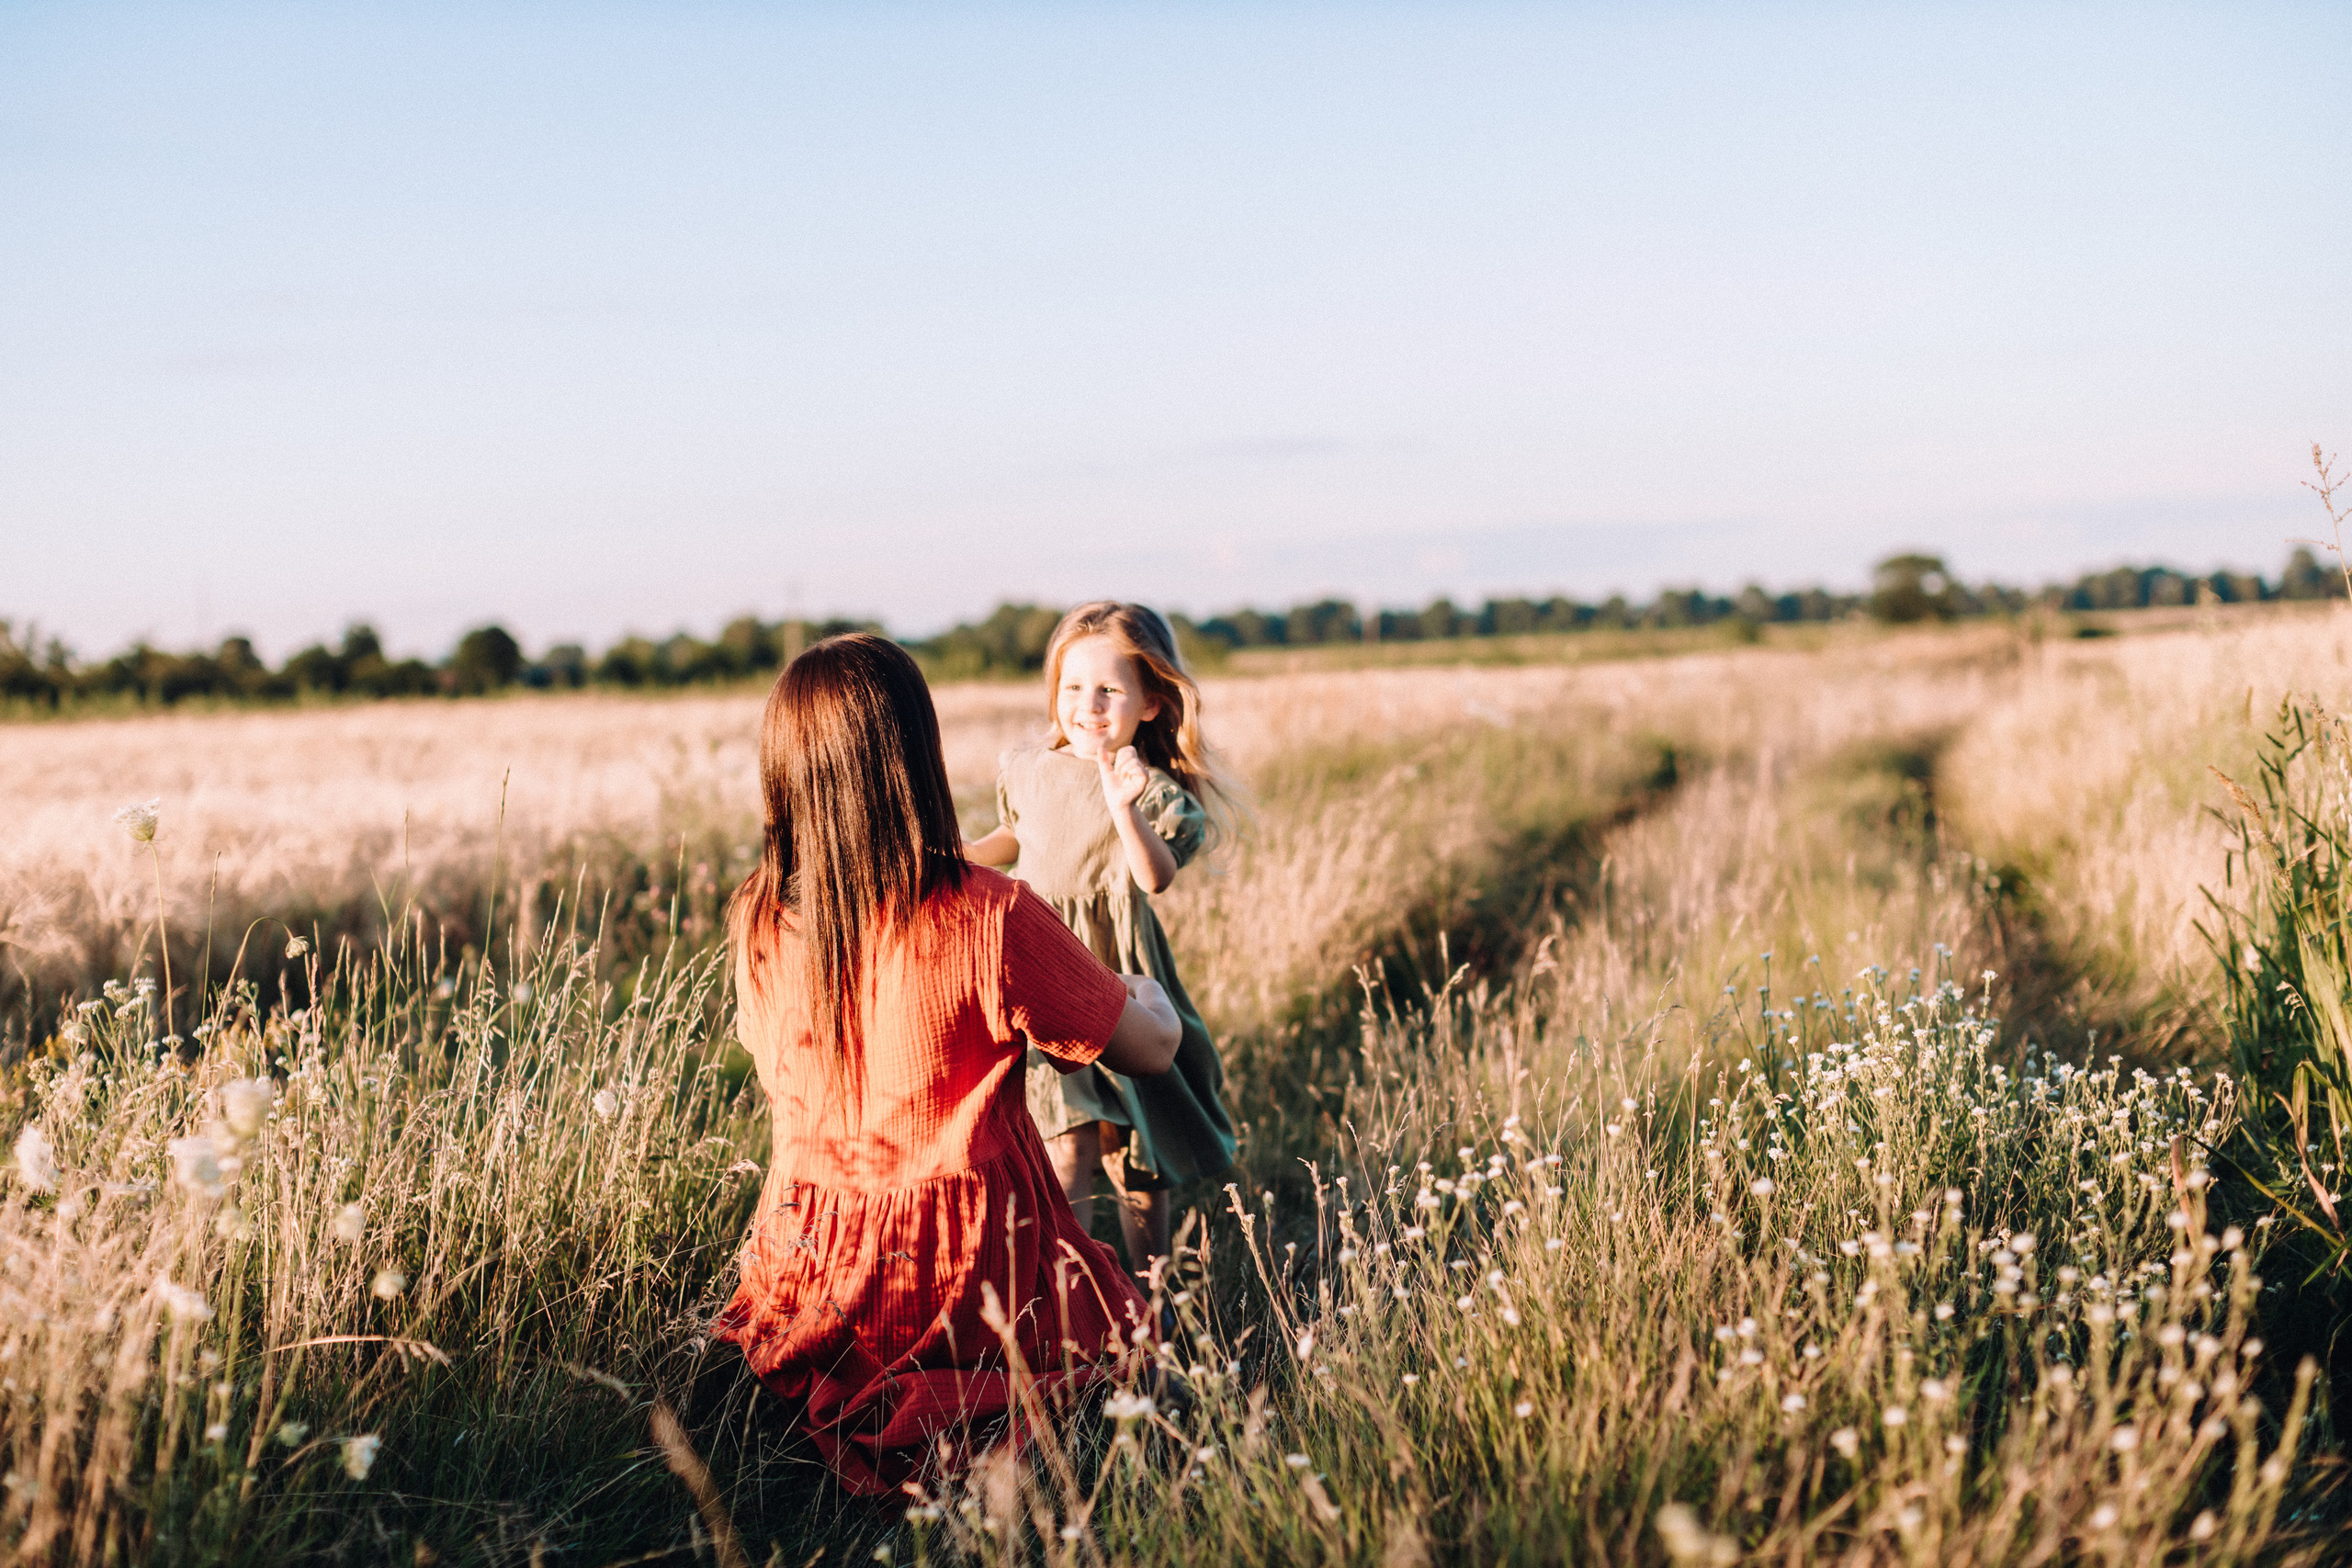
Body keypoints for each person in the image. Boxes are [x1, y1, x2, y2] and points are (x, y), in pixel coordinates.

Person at [712, 633, 1182, 1497]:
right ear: (914, 756)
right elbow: (1150, 1051)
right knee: (1126, 1338)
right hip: (961, 1266)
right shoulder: (988, 912)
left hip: (804, 1254)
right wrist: (1143, 990)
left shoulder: (758, 911)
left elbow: (771, 1061)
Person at [966, 602, 1238, 1278]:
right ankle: (1067, 1304)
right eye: (1073, 687)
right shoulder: (1028, 767)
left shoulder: (1151, 790)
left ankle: (1152, 1306)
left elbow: (1155, 876)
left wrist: (1123, 806)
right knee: (1067, 1145)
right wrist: (957, 858)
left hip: (1122, 974)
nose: (1088, 707)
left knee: (1135, 1157)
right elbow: (1015, 838)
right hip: (1043, 968)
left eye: (1109, 690)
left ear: (1150, 702)